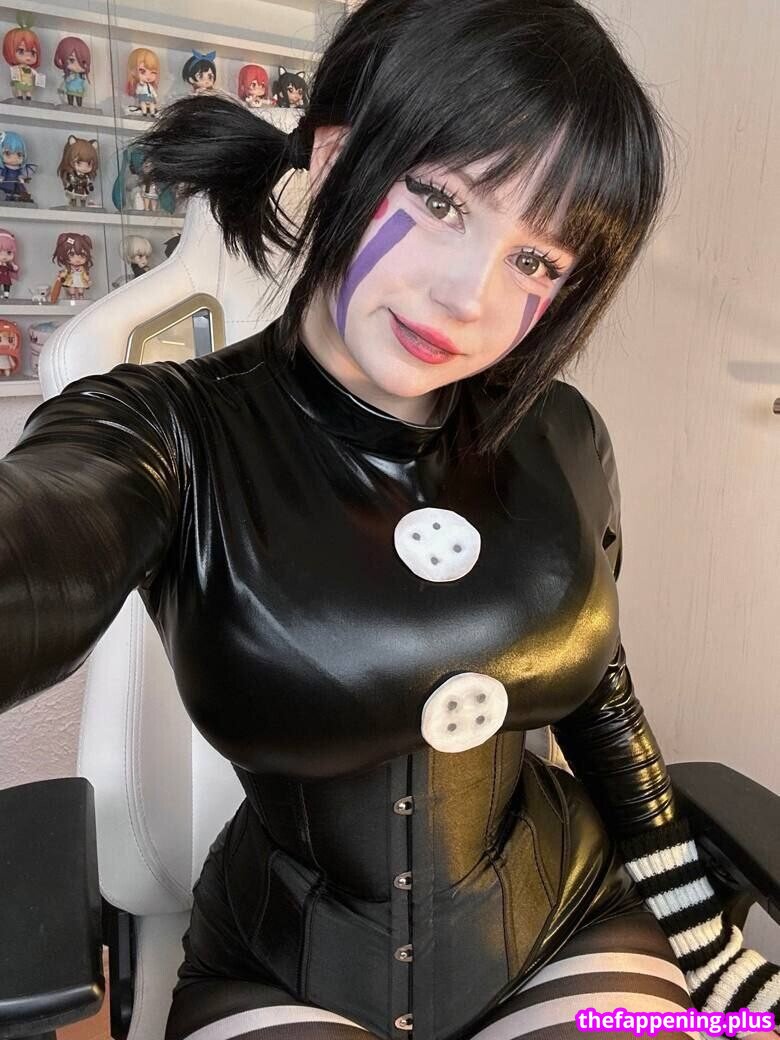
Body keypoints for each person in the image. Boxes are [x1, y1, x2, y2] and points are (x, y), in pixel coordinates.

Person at [0, 2, 778, 1039]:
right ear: (333, 159)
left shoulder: (562, 433)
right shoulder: (170, 429)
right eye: (442, 199)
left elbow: (601, 700)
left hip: (571, 924)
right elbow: (43, 536)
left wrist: (702, 932)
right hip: (285, 966)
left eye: (537, 261)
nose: (468, 298)